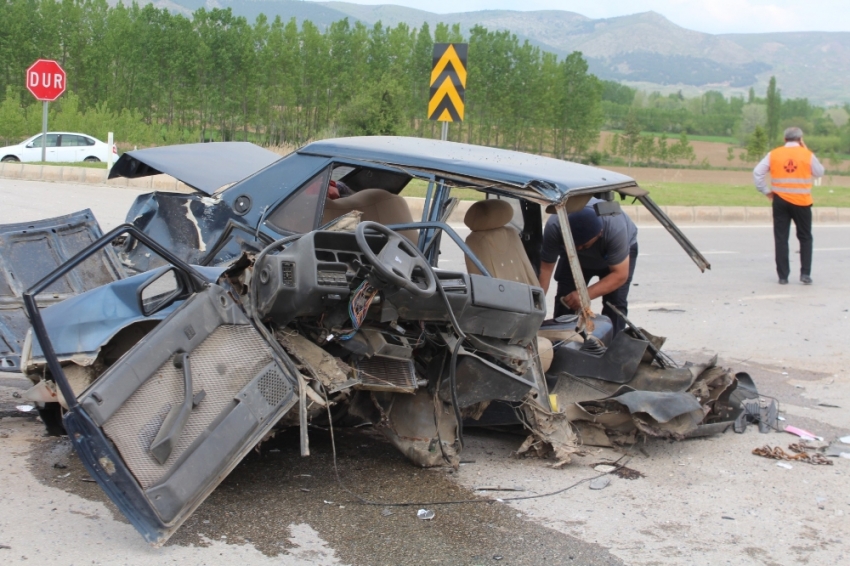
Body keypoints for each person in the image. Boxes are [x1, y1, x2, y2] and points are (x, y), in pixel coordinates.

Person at [539, 206, 638, 335]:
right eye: (575, 245)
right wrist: (536, 305)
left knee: (615, 304)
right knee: (566, 300)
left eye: (583, 245)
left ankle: (611, 348)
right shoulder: (555, 226)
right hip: (572, 257)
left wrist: (584, 296)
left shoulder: (615, 229)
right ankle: (561, 342)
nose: (579, 247)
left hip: (614, 259)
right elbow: (544, 269)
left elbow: (620, 275)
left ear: (599, 233)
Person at [753, 126, 824, 285]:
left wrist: (765, 191)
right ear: (800, 139)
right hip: (802, 202)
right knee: (805, 237)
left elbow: (758, 172)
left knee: (781, 238)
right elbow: (819, 172)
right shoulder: (807, 155)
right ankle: (805, 274)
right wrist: (805, 149)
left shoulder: (774, 154)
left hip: (780, 201)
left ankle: (783, 276)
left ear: (785, 139)